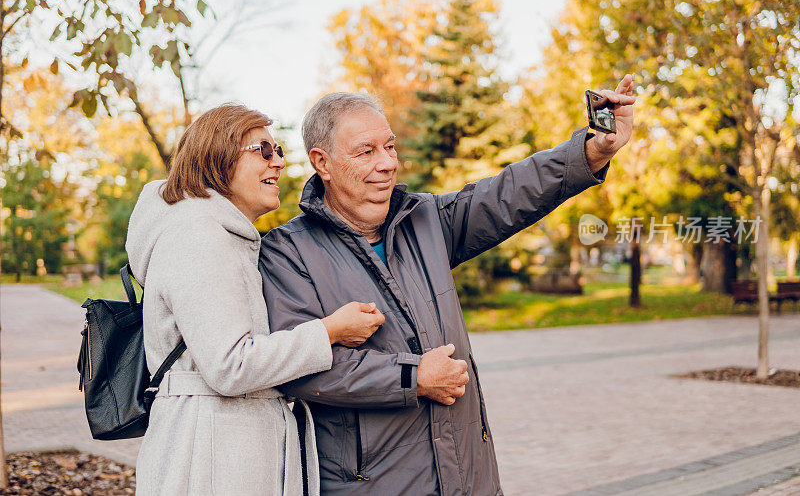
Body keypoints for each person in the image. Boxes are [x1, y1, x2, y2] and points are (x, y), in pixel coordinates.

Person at [259, 76, 636, 495]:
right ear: (322, 162)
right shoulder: (285, 253)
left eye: (389, 146)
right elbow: (298, 367)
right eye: (366, 152)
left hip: (469, 476)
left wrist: (591, 150)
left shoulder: (425, 219)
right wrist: (413, 376)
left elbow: (508, 194)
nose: (386, 163)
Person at [125, 103, 385, 496]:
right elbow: (230, 365)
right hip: (210, 459)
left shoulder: (218, 234)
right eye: (263, 151)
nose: (278, 162)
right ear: (219, 157)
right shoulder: (199, 235)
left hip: (217, 446)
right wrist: (329, 331)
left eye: (278, 151)